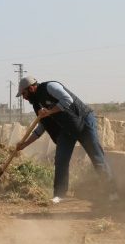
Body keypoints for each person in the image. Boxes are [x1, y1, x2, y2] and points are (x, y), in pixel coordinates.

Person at [14, 76, 115, 204]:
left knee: (96, 157)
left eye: (24, 93)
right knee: (61, 160)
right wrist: (24, 144)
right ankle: (59, 195)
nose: (24, 97)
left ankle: (112, 192)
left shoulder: (50, 87)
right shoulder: (37, 104)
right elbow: (42, 126)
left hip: (83, 120)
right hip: (66, 128)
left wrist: (49, 111)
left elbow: (68, 100)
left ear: (31, 87)